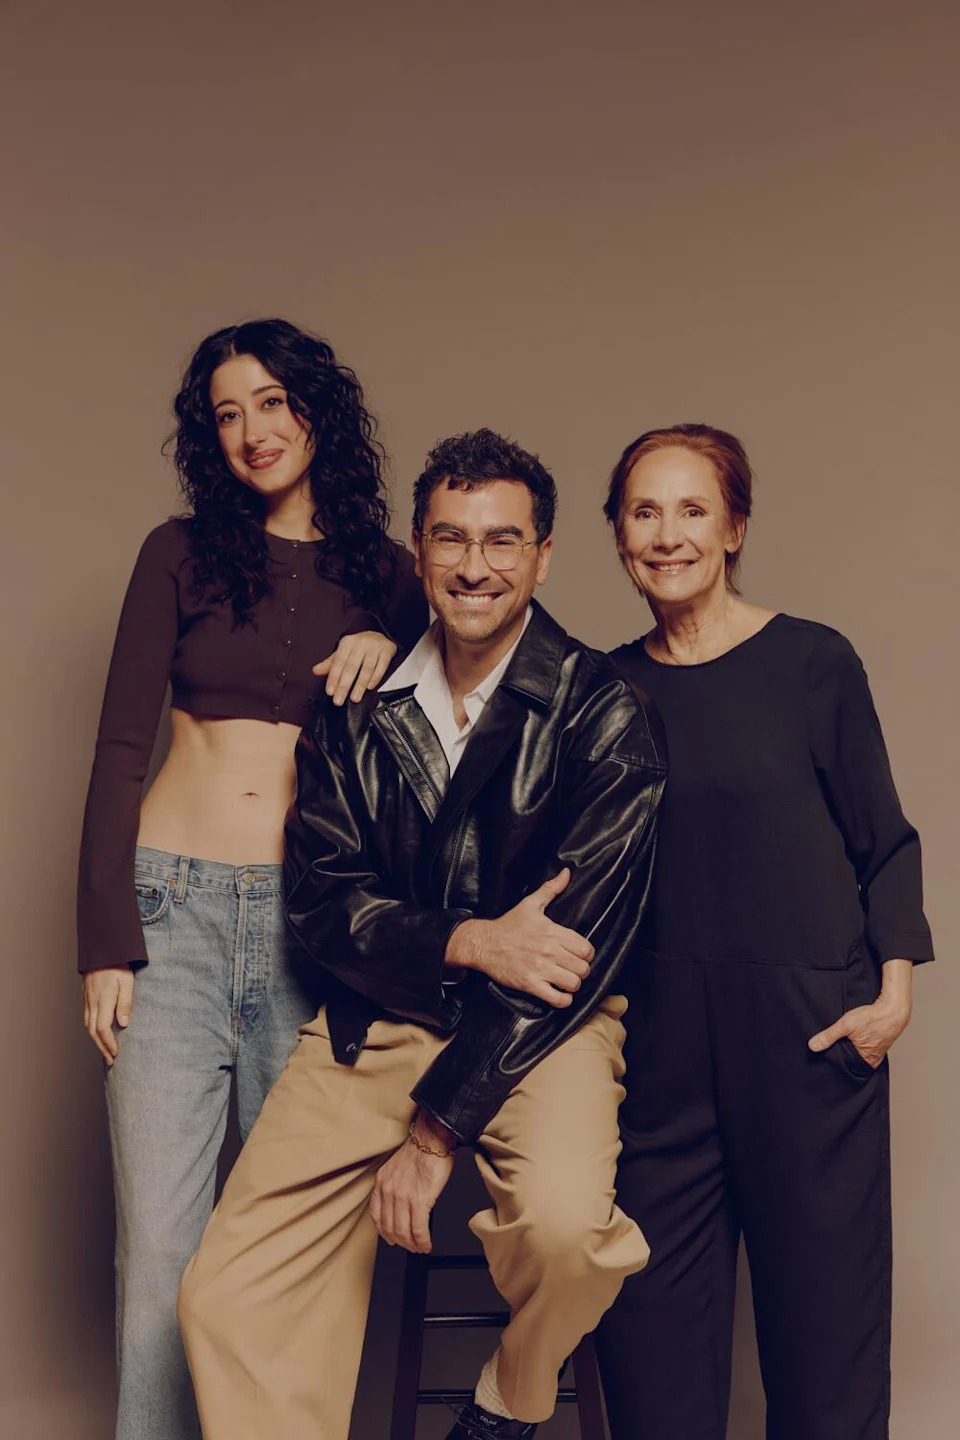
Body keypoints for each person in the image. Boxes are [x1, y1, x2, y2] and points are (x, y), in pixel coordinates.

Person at [177, 427, 667, 1440]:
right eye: (452, 538)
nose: (475, 566)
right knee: (226, 1294)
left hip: (542, 1030)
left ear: (541, 556)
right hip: (380, 1024)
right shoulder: (357, 710)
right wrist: (467, 939)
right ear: (420, 549)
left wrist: (435, 1134)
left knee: (572, 1236)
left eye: (502, 541)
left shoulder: (602, 709)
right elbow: (322, 904)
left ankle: (509, 1400)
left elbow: (572, 949)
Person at [77, 318, 427, 1440]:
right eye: (226, 413)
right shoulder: (175, 553)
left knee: (298, 1249)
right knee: (163, 1256)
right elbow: (120, 746)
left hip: (310, 931)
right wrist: (104, 941)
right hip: (170, 917)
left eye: (271, 402)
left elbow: (460, 721)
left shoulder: (390, 576)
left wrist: (394, 642)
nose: (252, 430)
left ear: (315, 410)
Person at [595, 424, 934, 1440]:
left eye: (692, 509)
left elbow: (886, 840)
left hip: (807, 1034)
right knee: (650, 1347)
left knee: (826, 1346)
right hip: (657, 1046)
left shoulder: (812, 662)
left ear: (734, 527)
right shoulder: (603, 688)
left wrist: (893, 997)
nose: (667, 536)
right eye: (644, 513)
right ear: (618, 536)